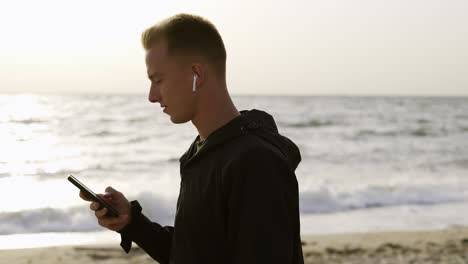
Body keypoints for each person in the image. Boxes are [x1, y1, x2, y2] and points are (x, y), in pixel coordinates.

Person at [79, 13, 304, 264]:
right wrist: (132, 221)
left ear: (196, 74)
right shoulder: (199, 154)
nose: (152, 96)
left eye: (158, 80)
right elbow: (193, 252)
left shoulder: (255, 162)